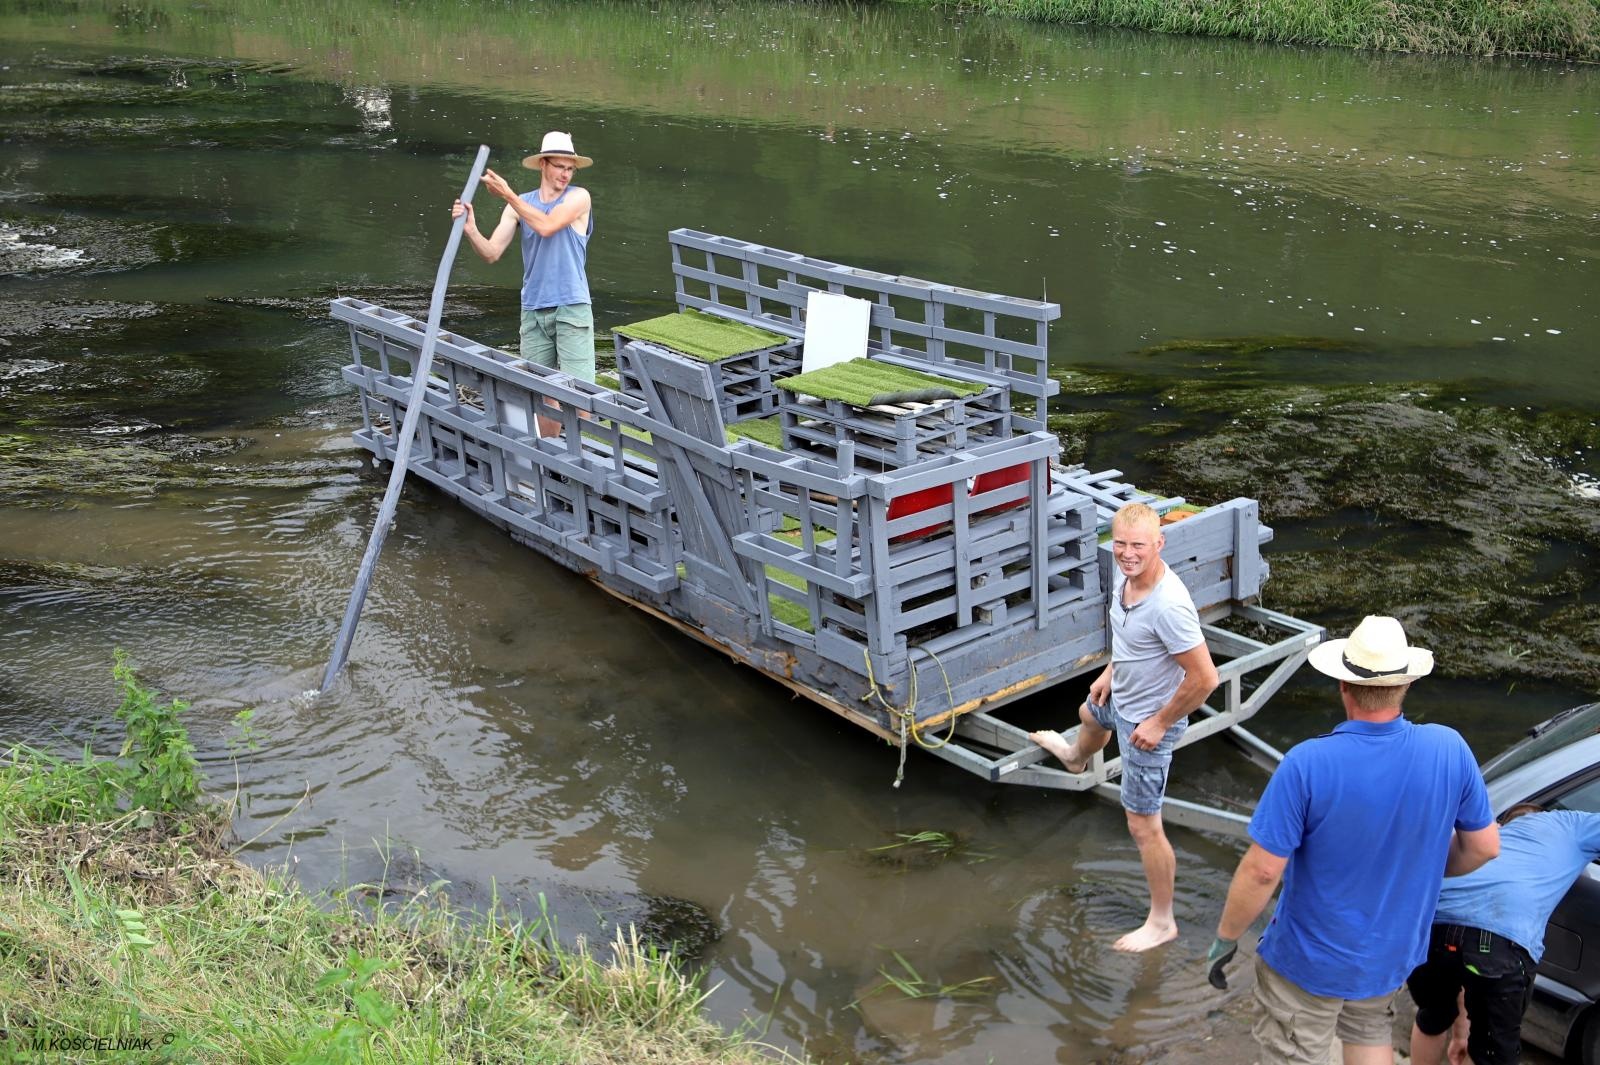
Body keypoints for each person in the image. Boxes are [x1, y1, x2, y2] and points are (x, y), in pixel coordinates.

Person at [1207, 614, 1502, 1065]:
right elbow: (1483, 847)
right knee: (1368, 1036)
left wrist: (1226, 939)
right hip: (1389, 955)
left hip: (1308, 961)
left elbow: (1263, 870)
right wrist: (1420, 863)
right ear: (1405, 685)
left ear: (1343, 685)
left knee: (1295, 1051)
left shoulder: (1307, 763)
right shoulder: (1449, 748)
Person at [1028, 502, 1219, 952]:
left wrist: (1158, 723)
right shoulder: (1125, 577)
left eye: (1138, 546)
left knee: (1143, 826)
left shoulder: (1170, 606)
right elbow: (1129, 635)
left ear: (1159, 544)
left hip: (1148, 724)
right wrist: (1111, 672)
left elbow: (1206, 678)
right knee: (1089, 714)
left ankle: (1162, 921)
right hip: (1122, 696)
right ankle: (1076, 758)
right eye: (1119, 543)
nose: (1127, 553)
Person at [1408, 803, 1600, 1065]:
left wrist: (1460, 1036)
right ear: (1543, 816)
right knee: (1492, 1052)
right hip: (1498, 944)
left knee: (1433, 1015)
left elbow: (1465, 961)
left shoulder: (1494, 837)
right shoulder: (1571, 824)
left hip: (1435, 931)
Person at [451, 130, 596, 383]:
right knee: (540, 394)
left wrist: (508, 194)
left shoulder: (579, 197)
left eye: (570, 169)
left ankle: (581, 425)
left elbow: (547, 226)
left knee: (580, 394)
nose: (565, 174)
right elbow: (491, 253)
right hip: (532, 309)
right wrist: (470, 228)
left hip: (572, 306)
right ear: (543, 164)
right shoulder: (519, 205)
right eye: (560, 167)